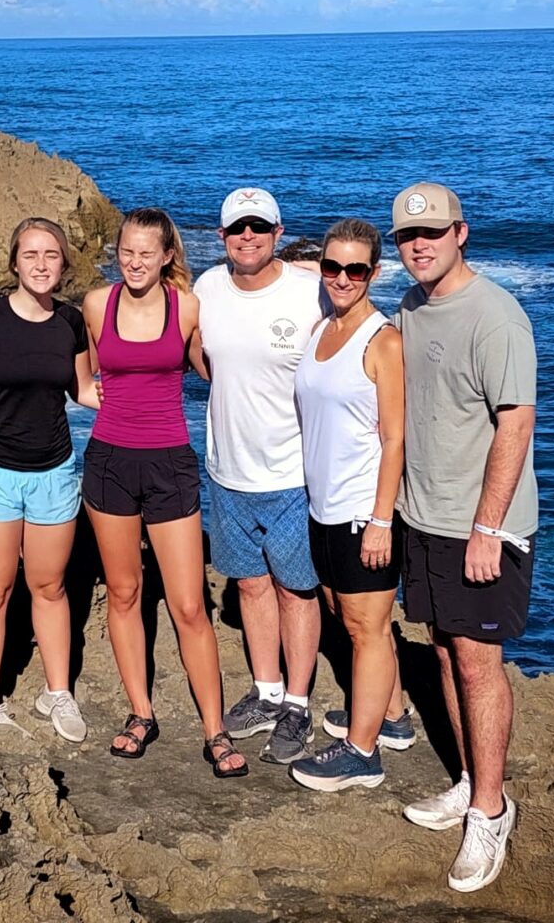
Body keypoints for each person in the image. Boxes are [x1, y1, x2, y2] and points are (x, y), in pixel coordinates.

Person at [391, 182, 537, 893]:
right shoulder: (413, 307)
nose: (418, 246)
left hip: (478, 526)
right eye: (407, 238)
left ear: (461, 233)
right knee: (445, 653)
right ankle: (471, 780)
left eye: (433, 233)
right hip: (423, 515)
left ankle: (491, 810)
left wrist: (488, 529)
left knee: (479, 663)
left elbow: (515, 424)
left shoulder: (497, 317)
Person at [81, 207, 248, 779]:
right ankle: (141, 714)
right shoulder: (97, 305)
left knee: (188, 605)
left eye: (146, 253)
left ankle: (215, 731)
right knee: (124, 594)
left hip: (171, 462)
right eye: (126, 251)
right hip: (108, 462)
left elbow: (216, 368)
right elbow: (86, 375)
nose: (134, 262)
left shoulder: (189, 307)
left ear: (167, 256)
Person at [0, 216, 97, 742]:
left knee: (49, 587)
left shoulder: (71, 323)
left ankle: (58, 693)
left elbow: (83, 390)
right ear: (14, 263)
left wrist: (152, 391)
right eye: (31, 255)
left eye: (51, 255)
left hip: (53, 470)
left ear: (63, 263)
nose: (41, 264)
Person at [192, 187, 325, 765]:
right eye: (237, 229)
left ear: (277, 232)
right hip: (227, 470)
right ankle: (267, 690)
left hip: (293, 473)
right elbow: (200, 354)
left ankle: (298, 704)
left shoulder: (309, 291)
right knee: (249, 584)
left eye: (260, 227)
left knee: (297, 590)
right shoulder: (207, 287)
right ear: (222, 237)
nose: (248, 237)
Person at [288, 218, 414, 793]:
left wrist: (382, 521)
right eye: (331, 266)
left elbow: (395, 438)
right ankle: (392, 716)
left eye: (355, 269)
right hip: (324, 506)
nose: (341, 277)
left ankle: (362, 754)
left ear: (374, 273)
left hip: (365, 511)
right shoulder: (322, 329)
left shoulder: (382, 341)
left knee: (367, 628)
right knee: (348, 615)